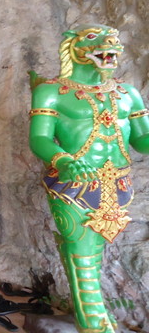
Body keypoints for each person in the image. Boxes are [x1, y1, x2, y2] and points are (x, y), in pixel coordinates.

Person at [29, 24, 149, 333]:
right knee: (80, 246)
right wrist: (63, 159)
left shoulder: (128, 93)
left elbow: (141, 140)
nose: (108, 44)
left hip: (119, 184)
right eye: (94, 38)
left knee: (92, 250)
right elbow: (39, 139)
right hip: (73, 183)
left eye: (112, 40)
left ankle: (88, 309)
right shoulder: (50, 91)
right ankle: (92, 322)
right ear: (73, 47)